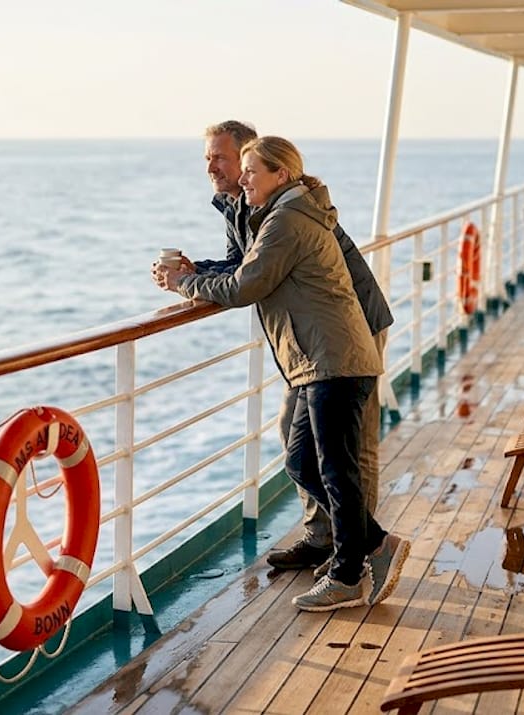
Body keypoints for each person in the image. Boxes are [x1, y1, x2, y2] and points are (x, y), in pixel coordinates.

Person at [153, 136, 410, 611]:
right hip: (318, 359)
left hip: (333, 358)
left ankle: (349, 574)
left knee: (336, 468)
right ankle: (374, 544)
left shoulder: (287, 219)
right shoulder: (282, 214)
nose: (242, 179)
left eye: (251, 171)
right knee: (304, 462)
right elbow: (246, 267)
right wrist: (197, 274)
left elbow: (247, 283)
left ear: (281, 176)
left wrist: (185, 283)